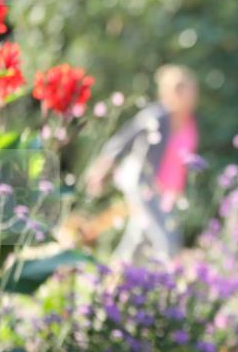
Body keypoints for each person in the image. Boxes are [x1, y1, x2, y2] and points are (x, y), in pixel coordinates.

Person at [85, 64, 199, 261]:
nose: (191, 95)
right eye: (185, 89)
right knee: (167, 239)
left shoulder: (189, 122)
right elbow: (123, 140)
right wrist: (103, 167)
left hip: (167, 194)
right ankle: (171, 284)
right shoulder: (157, 116)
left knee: (138, 242)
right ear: (173, 91)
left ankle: (110, 279)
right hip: (145, 185)